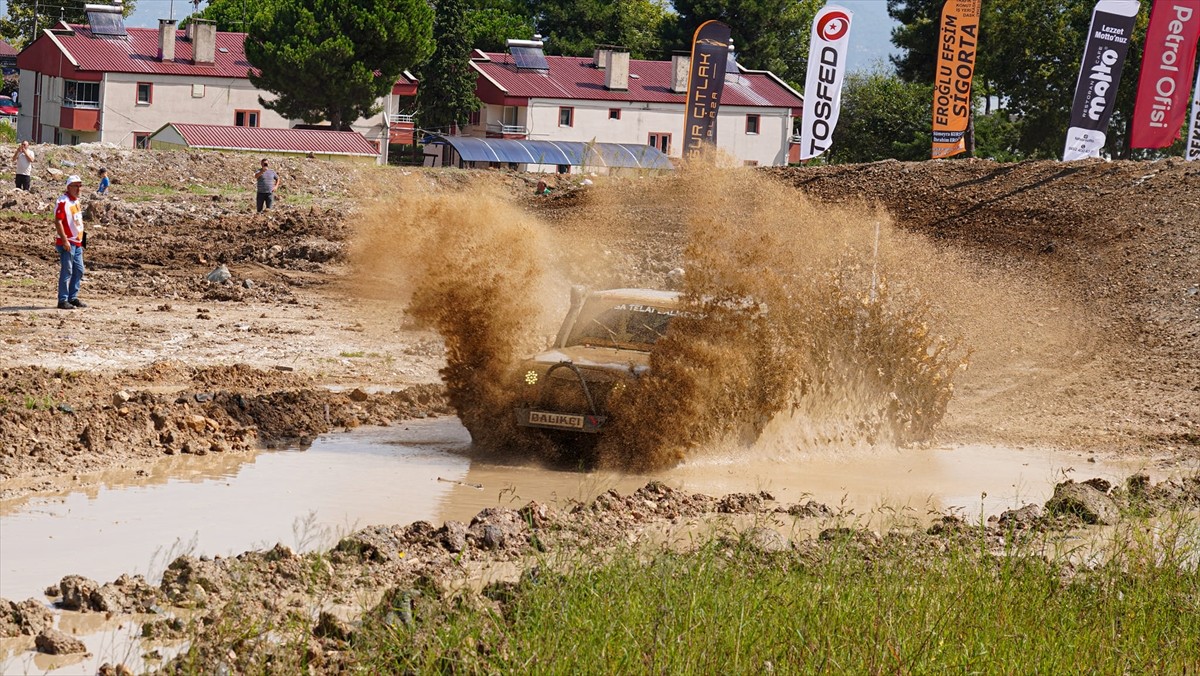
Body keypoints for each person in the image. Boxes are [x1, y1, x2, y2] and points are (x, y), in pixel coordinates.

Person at [54, 175, 87, 310]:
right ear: (69, 187)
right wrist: (64, 240)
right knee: (67, 270)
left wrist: (82, 241)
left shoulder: (76, 201)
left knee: (78, 270)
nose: (78, 189)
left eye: (80, 186)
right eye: (75, 186)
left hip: (77, 242)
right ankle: (62, 300)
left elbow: (79, 223)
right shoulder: (63, 201)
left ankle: (72, 297)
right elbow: (58, 221)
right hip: (68, 242)